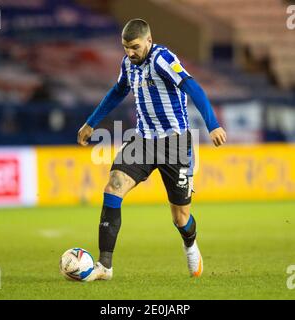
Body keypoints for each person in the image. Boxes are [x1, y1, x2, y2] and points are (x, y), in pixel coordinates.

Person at [77, 18, 227, 280]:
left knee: (180, 217)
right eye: (126, 47)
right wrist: (91, 123)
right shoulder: (128, 64)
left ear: (148, 39)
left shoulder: (163, 59)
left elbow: (194, 88)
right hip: (143, 140)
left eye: (134, 47)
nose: (130, 53)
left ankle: (190, 244)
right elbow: (117, 91)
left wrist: (212, 125)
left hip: (176, 143)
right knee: (113, 186)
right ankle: (105, 266)